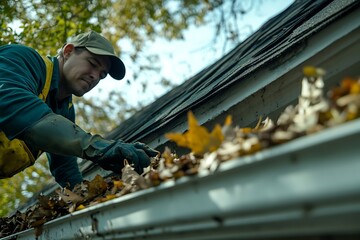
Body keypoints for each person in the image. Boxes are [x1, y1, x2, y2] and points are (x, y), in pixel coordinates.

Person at [0, 30, 158, 188]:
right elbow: (14, 105)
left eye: (102, 75)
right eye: (93, 63)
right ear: (68, 52)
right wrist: (96, 146)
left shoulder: (65, 111)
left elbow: (65, 167)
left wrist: (83, 194)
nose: (95, 76)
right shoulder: (24, 59)